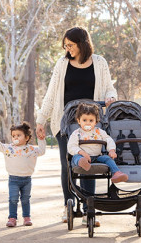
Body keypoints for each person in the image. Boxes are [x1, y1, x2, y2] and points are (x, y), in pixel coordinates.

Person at [35, 27, 117, 226]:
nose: (67, 48)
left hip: (91, 123)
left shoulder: (99, 62)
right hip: (65, 122)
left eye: (70, 45)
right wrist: (41, 119)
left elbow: (109, 87)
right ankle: (69, 206)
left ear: (82, 43)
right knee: (68, 165)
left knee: (88, 163)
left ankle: (89, 208)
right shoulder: (62, 64)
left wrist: (111, 97)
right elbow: (52, 93)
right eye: (65, 45)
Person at [0, 121, 46, 227]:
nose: (15, 137)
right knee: (13, 199)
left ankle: (26, 217)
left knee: (25, 199)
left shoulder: (32, 149)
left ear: (27, 137)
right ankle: (12, 218)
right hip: (13, 179)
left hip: (27, 180)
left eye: (19, 135)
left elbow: (42, 151)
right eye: (13, 136)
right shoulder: (9, 148)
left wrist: (41, 139)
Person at [67, 103, 129, 183]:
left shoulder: (99, 132)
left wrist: (111, 150)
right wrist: (82, 153)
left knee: (107, 158)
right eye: (84, 120)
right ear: (79, 121)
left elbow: (108, 139)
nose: (88, 123)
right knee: (75, 157)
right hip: (82, 156)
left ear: (96, 122)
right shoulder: (76, 133)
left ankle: (116, 173)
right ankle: (82, 162)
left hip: (96, 157)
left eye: (91, 120)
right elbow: (71, 146)